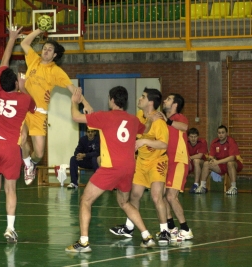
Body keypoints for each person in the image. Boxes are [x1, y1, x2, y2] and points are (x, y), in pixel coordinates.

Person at [66, 86, 155, 253]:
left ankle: (84, 242)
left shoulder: (104, 117)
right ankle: (147, 236)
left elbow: (75, 116)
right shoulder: (133, 120)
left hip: (111, 167)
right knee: (124, 202)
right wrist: (150, 118)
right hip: (129, 167)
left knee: (86, 200)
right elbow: (147, 129)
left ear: (112, 100)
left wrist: (74, 102)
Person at [19, 28, 93, 186]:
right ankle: (27, 165)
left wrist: (85, 103)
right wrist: (39, 30)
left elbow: (73, 89)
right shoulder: (33, 59)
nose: (45, 51)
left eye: (49, 50)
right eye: (44, 48)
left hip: (39, 114)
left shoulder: (56, 72)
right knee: (22, 138)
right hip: (23, 109)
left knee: (39, 152)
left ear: (54, 55)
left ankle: (31, 162)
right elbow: (24, 42)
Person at [0, 26, 36, 243]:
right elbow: (33, 108)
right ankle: (10, 229)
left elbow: (4, 61)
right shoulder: (24, 99)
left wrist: (11, 39)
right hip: (10, 148)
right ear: (15, 83)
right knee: (10, 189)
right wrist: (23, 88)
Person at [109, 88, 171, 245]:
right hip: (142, 162)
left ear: (150, 102)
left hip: (157, 161)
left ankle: (165, 231)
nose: (139, 99)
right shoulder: (139, 116)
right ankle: (129, 227)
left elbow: (163, 144)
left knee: (157, 196)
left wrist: (144, 141)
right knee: (134, 196)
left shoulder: (159, 121)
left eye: (143, 97)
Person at [154, 94, 193, 241]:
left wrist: (167, 121)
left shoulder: (179, 117)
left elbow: (184, 127)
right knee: (160, 195)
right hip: (165, 161)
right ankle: (170, 227)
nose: (164, 101)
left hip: (178, 161)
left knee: (171, 196)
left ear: (175, 104)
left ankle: (186, 230)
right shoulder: (164, 121)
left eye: (168, 99)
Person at [195, 125, 243, 195]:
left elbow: (232, 158)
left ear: (226, 133)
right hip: (221, 165)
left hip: (235, 164)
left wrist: (218, 162)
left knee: (230, 163)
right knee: (206, 163)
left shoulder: (231, 141)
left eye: (223, 132)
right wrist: (212, 160)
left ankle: (233, 187)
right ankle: (202, 186)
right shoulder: (214, 142)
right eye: (219, 133)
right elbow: (211, 156)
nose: (221, 134)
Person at [187, 128, 208, 193]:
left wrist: (189, 158)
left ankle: (196, 184)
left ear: (198, 137)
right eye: (191, 137)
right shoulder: (185, 143)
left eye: (195, 137)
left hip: (202, 163)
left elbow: (199, 156)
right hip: (189, 162)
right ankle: (179, 185)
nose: (193, 139)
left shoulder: (202, 142)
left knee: (196, 160)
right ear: (188, 137)